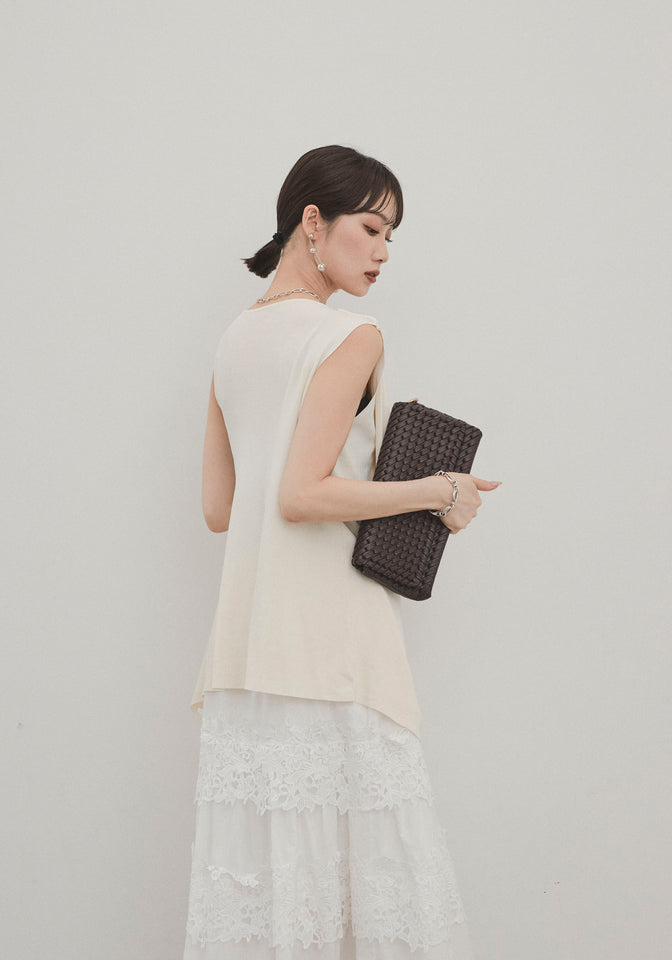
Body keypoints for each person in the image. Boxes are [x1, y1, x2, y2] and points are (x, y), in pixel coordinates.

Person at [182, 145, 500, 959]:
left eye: (392, 235)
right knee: (376, 887)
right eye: (372, 228)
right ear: (313, 222)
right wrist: (435, 490)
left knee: (274, 898)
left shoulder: (234, 339)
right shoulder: (349, 335)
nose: (385, 252)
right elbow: (303, 494)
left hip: (248, 654)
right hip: (330, 647)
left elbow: (221, 510)